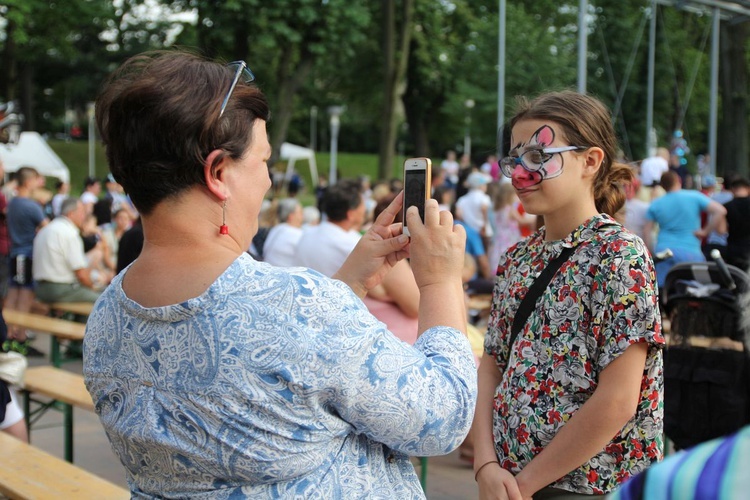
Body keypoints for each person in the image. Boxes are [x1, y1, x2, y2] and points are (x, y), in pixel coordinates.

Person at [84, 50, 476, 498]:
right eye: (263, 162)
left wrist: (346, 287)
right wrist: (439, 280)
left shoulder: (107, 317)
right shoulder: (296, 307)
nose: (268, 181)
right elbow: (443, 419)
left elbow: (280, 376)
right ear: (217, 172)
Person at [472, 91, 664, 498]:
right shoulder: (517, 258)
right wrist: (485, 463)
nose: (521, 174)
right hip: (506, 481)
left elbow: (618, 400)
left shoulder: (619, 255)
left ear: (590, 161)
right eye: (515, 160)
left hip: (583, 488)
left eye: (540, 157)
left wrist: (524, 485)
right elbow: (492, 364)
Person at [642, 170, 726, 288]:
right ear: (678, 181)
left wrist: (651, 253)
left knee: (662, 290)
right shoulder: (694, 196)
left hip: (664, 251)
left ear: (662, 186)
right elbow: (720, 211)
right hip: (691, 252)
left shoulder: (655, 204)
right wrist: (705, 232)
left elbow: (647, 231)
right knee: (696, 291)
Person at [5, 167, 48, 354]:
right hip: (25, 254)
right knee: (24, 296)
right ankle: (19, 337)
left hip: (16, 253)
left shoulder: (13, 202)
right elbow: (47, 227)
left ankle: (7, 334)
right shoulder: (30, 206)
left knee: (13, 294)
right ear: (29, 182)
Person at [32, 198, 102, 303]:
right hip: (60, 289)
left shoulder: (45, 229)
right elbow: (81, 274)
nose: (84, 217)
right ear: (71, 213)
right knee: (101, 300)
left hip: (40, 288)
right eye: (82, 212)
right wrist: (93, 287)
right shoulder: (69, 233)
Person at [293, 179, 365, 276]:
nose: (365, 209)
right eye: (362, 204)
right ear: (351, 214)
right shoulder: (353, 245)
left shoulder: (307, 233)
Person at [262, 197, 304, 267]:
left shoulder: (276, 229)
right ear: (291, 216)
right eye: (300, 213)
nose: (303, 216)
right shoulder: (296, 234)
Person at [719, 177, 750, 269]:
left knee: (735, 276)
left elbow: (721, 230)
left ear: (732, 189)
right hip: (748, 248)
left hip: (733, 248)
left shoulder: (726, 206)